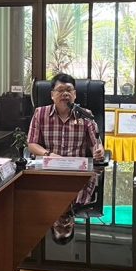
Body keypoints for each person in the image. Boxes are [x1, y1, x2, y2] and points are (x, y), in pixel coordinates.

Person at [27, 73, 104, 206]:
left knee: (71, 202)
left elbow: (95, 144)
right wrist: (49, 154)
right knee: (46, 202)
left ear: (75, 94)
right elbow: (32, 144)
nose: (65, 94)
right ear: (52, 95)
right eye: (60, 90)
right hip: (49, 172)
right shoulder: (40, 113)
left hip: (77, 173)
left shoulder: (85, 115)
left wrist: (98, 151)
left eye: (69, 90)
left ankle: (69, 210)